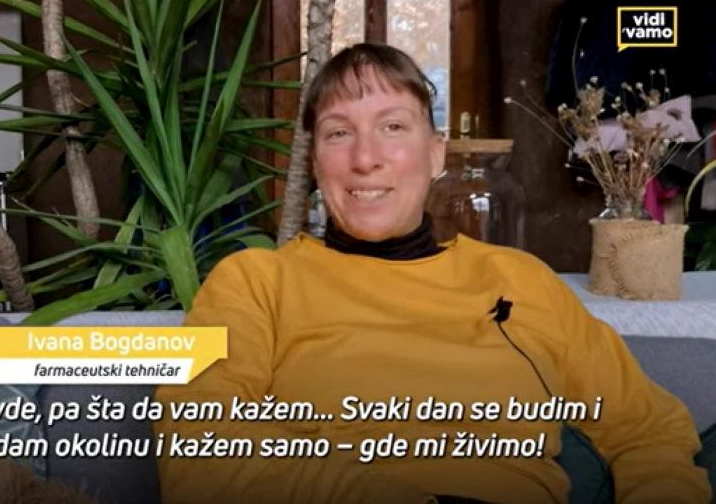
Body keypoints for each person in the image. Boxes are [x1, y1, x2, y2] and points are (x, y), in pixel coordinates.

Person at [152, 43, 711, 504]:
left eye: (393, 127)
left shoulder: (520, 280)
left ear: (436, 154)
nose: (365, 158)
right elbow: (197, 447)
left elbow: (647, 429)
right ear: (316, 163)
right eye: (339, 133)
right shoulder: (251, 283)